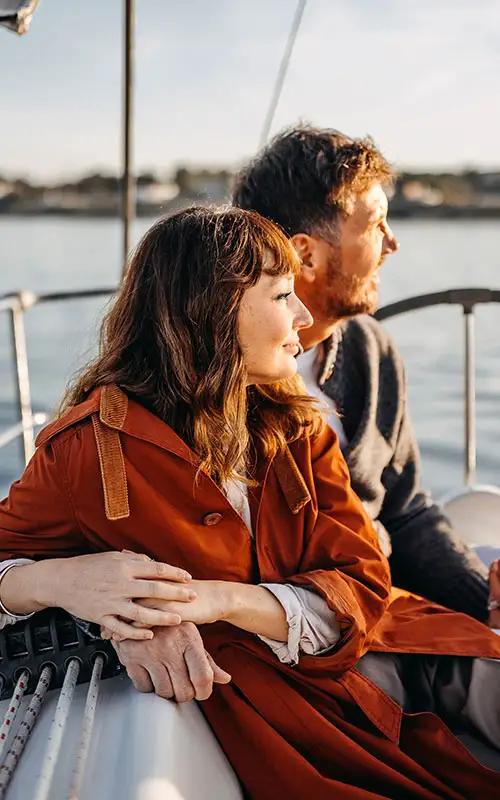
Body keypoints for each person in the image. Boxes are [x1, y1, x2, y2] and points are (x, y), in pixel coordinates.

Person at [0, 206, 499, 799]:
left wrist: (214, 601)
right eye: (284, 293)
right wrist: (62, 583)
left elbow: (364, 584)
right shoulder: (86, 452)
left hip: (409, 651)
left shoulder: (299, 429)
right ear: (212, 309)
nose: (305, 315)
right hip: (309, 724)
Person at [232, 124, 500, 628]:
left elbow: (405, 511)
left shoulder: (369, 350)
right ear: (305, 254)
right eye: (376, 224)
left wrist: (485, 603)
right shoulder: (209, 373)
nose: (392, 243)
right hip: (290, 627)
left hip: (374, 601)